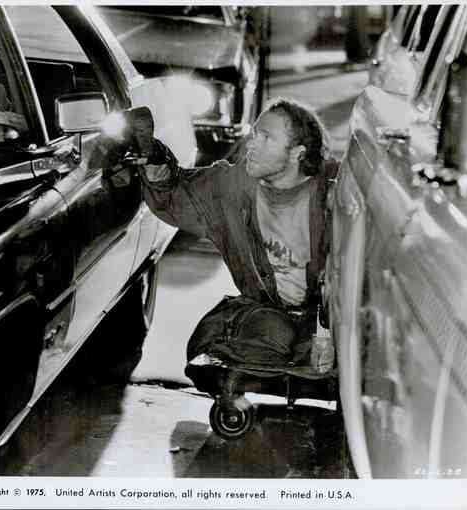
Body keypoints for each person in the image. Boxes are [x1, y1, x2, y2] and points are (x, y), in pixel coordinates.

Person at [133, 97, 337, 370]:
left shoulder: (337, 193)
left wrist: (327, 332)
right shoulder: (232, 186)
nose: (251, 144)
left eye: (266, 138)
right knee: (234, 343)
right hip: (269, 321)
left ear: (296, 153)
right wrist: (154, 156)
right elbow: (177, 192)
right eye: (254, 134)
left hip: (337, 321)